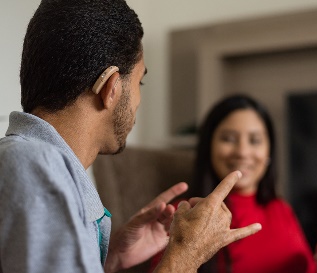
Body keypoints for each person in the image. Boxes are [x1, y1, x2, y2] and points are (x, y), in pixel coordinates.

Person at [0, 1, 262, 273]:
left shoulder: (35, 165)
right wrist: (185, 255)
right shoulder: (34, 166)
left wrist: (109, 256)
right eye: (140, 82)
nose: (138, 100)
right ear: (110, 87)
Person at [151, 94, 317, 273]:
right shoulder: (185, 213)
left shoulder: (281, 209)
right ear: (208, 147)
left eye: (255, 140)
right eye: (228, 138)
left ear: (268, 153)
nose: (243, 152)